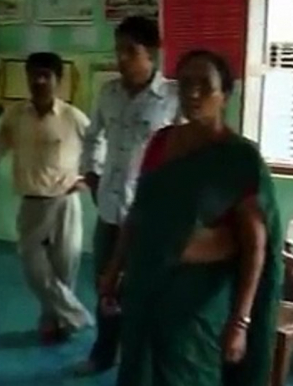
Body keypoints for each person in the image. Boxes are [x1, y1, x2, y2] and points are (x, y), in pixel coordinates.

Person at [99, 50, 283, 386]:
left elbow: (255, 245)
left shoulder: (238, 158)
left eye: (204, 85)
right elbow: (139, 212)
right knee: (138, 370)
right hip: (145, 284)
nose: (193, 93)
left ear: (225, 94)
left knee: (188, 374)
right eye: (185, 84)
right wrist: (113, 271)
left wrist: (239, 322)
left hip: (196, 300)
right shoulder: (161, 141)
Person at [0, 52, 93, 342]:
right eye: (34, 75)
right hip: (31, 203)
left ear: (58, 80)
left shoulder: (73, 118)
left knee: (64, 268)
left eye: (46, 76)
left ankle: (53, 322)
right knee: (34, 268)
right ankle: (79, 317)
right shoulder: (14, 117)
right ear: (27, 77)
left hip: (65, 203)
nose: (39, 81)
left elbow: (97, 151)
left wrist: (87, 179)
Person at [76, 15, 180, 374]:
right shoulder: (108, 92)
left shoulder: (172, 98)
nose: (121, 58)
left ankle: (139, 358)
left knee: (142, 290)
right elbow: (93, 137)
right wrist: (91, 174)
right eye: (118, 50)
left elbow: (181, 155)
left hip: (148, 214)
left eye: (130, 51)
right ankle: (104, 352)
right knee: (105, 285)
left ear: (151, 53)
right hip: (108, 210)